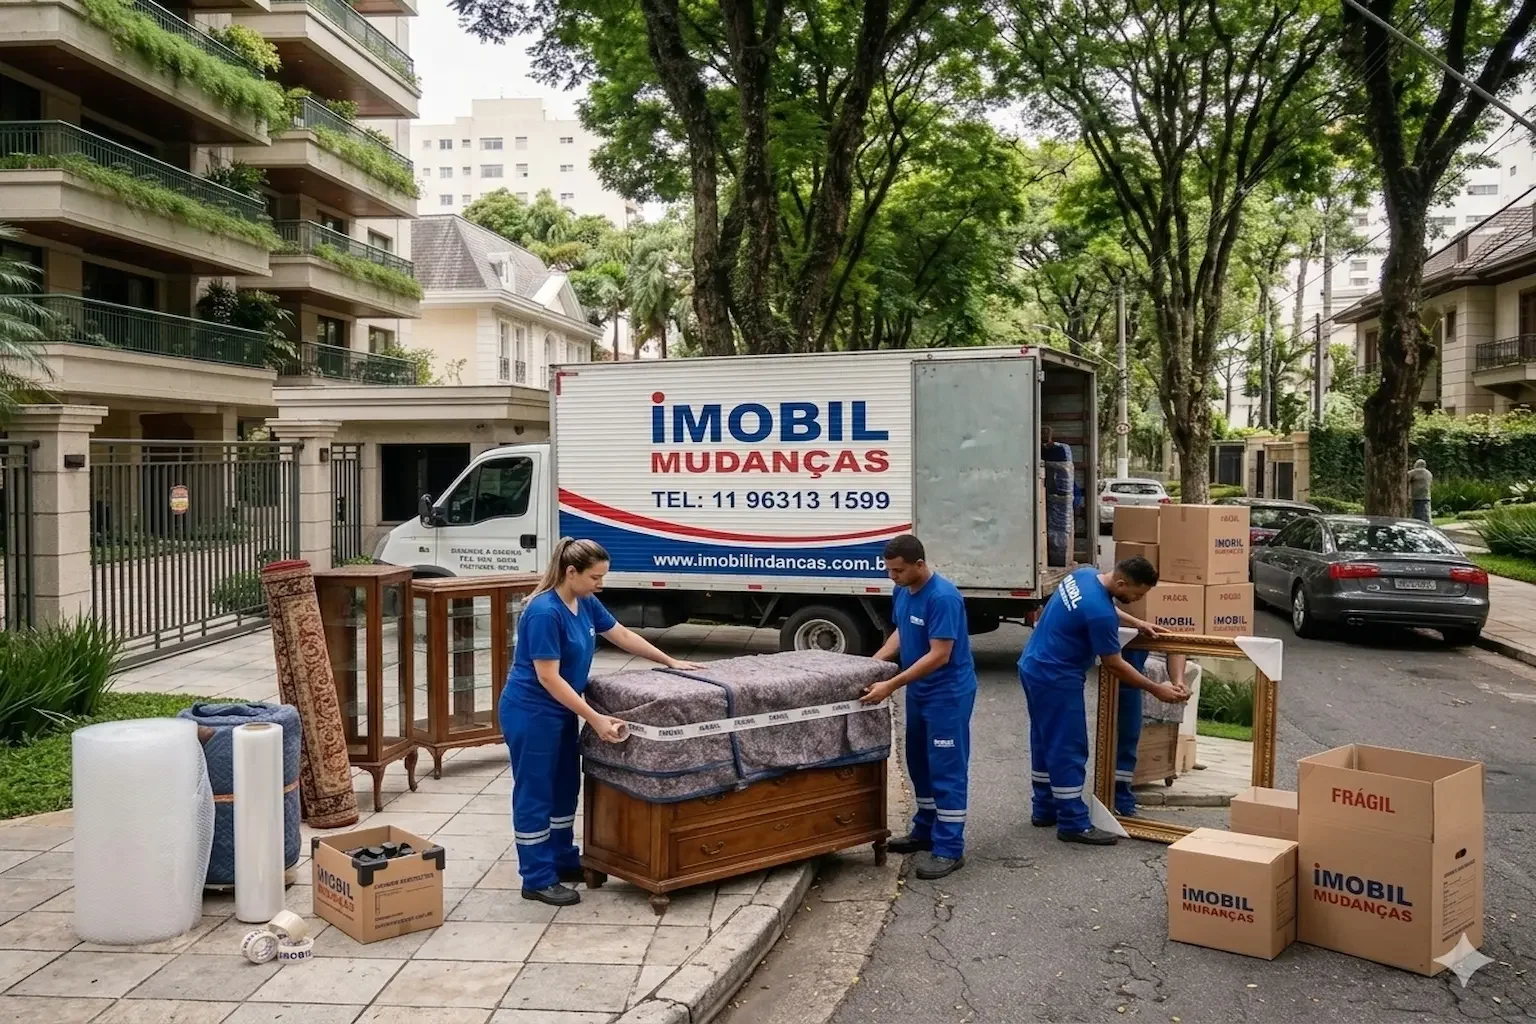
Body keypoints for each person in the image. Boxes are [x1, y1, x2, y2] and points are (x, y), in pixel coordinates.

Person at [499, 538, 700, 906]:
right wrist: (594, 718)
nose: (601, 585)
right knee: (535, 792)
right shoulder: (544, 612)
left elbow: (620, 634)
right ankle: (536, 877)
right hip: (531, 712)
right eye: (595, 577)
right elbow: (549, 677)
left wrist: (670, 661)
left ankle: (562, 860)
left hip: (559, 710)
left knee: (564, 787)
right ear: (570, 572)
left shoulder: (584, 601)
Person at [1018, 556, 1190, 844]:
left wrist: (1137, 622)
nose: (1137, 599)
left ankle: (1045, 807)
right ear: (1122, 582)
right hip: (1057, 677)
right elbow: (1114, 664)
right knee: (1068, 745)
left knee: (1044, 738)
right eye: (1137, 593)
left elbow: (1103, 608)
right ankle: (1073, 822)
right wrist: (1155, 688)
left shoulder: (1084, 576)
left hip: (1033, 665)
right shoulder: (1100, 613)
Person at [859, 534, 977, 880]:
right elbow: (900, 633)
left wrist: (891, 685)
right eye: (888, 570)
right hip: (920, 692)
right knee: (920, 762)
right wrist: (872, 665)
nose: (891, 577)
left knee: (947, 768)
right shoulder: (903, 591)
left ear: (919, 565)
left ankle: (949, 848)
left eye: (897, 571)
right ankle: (924, 830)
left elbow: (940, 654)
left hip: (947, 695)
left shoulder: (943, 598)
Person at [1113, 649, 1186, 817]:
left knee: (1129, 738)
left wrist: (1178, 681)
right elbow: (1112, 661)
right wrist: (1154, 688)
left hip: (1131, 680)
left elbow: (1175, 640)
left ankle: (1121, 800)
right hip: (1096, 674)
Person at [1409, 459, 1433, 523]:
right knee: (1426, 515)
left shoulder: (1413, 472)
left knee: (1416, 515)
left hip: (1415, 497)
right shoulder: (1429, 473)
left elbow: (1406, 479)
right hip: (1426, 497)